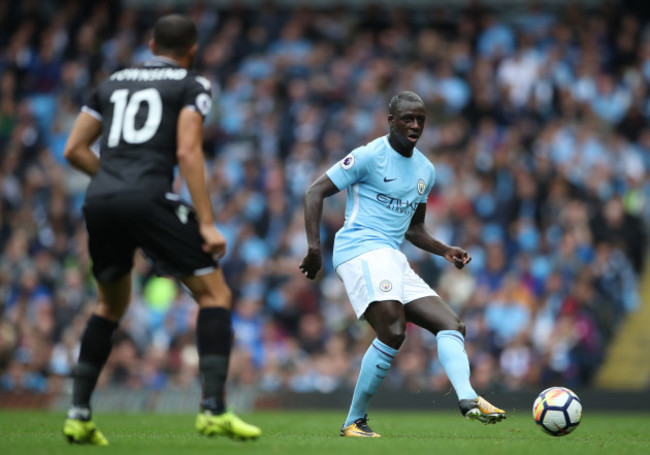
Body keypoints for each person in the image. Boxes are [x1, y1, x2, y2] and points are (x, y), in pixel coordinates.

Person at [61, 14, 261, 445]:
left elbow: (73, 148)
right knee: (215, 295)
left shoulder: (111, 82)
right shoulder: (193, 84)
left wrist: (111, 181)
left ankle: (78, 414)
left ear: (151, 45)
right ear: (192, 50)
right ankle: (213, 410)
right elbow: (188, 150)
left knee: (109, 305)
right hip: (149, 197)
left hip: (100, 201)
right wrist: (207, 222)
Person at [299, 91, 507, 438]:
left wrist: (444, 249)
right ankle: (354, 421)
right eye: (408, 118)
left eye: (420, 119)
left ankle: (468, 399)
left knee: (452, 325)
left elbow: (414, 228)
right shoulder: (368, 156)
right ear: (391, 121)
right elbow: (314, 192)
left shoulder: (426, 169)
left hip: (393, 256)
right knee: (393, 331)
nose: (414, 125)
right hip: (360, 248)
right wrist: (314, 247)